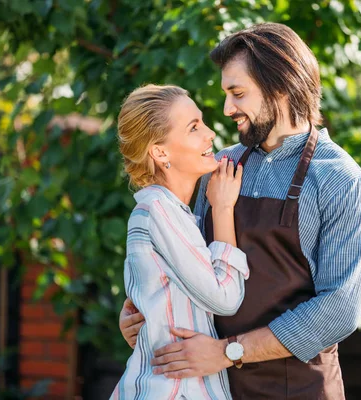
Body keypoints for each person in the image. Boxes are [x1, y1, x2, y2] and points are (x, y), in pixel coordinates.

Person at [120, 23, 361, 399]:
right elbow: (192, 268)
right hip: (213, 388)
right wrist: (143, 313)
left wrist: (228, 352)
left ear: (280, 86)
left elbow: (339, 309)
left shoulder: (341, 182)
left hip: (299, 391)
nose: (227, 109)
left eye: (237, 93)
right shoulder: (219, 167)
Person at [111, 84, 250, 400]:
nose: (210, 133)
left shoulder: (168, 212)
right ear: (160, 152)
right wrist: (223, 209)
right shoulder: (158, 209)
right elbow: (226, 298)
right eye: (194, 127)